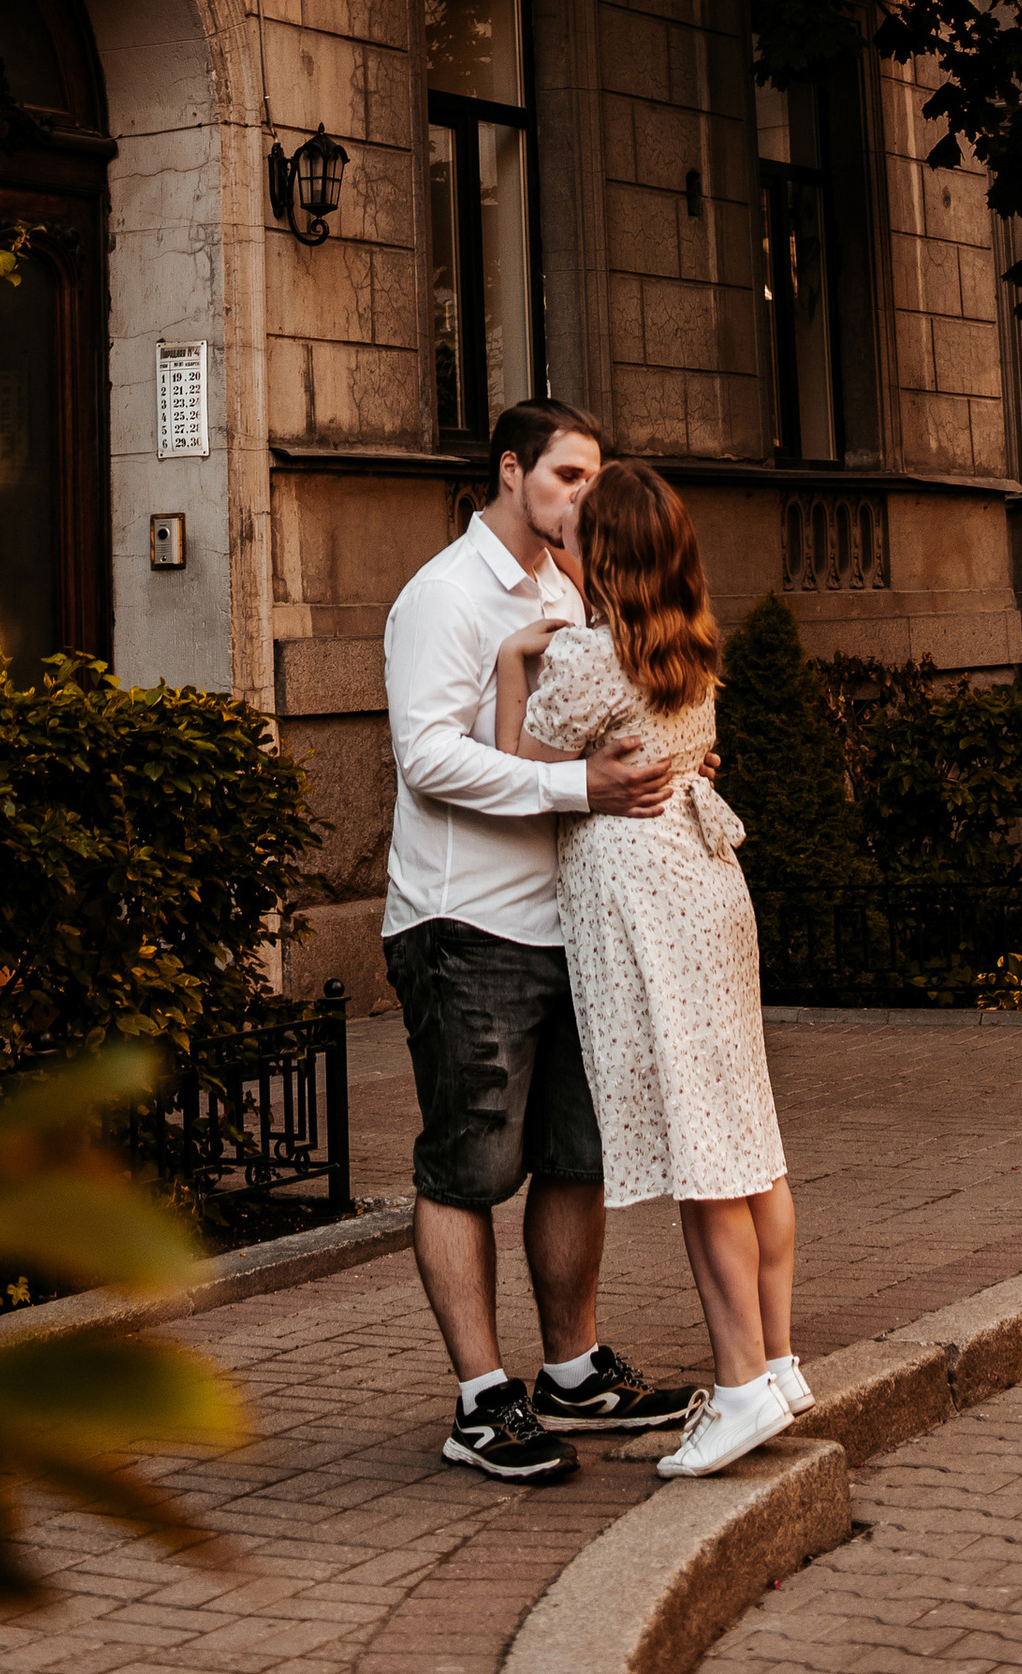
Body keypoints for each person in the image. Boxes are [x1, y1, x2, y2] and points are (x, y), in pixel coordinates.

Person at [381, 400, 707, 1484]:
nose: (584, 496)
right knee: (468, 1168)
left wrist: (667, 757)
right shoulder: (444, 595)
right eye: (568, 476)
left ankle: (571, 1372)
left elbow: (602, 723)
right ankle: (482, 1401)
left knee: (577, 1159)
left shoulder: (573, 590)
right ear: (510, 470)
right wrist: (579, 786)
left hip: (575, 919)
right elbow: (428, 757)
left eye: (595, 478)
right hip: (465, 922)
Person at [495, 456, 805, 1481]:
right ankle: (778, 1363)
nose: (567, 529)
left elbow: (517, 763)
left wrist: (514, 662)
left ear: (608, 553)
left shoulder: (590, 658)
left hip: (646, 904)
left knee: (702, 1156)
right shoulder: (689, 643)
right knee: (746, 1140)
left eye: (581, 522)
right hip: (708, 891)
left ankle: (740, 1387)